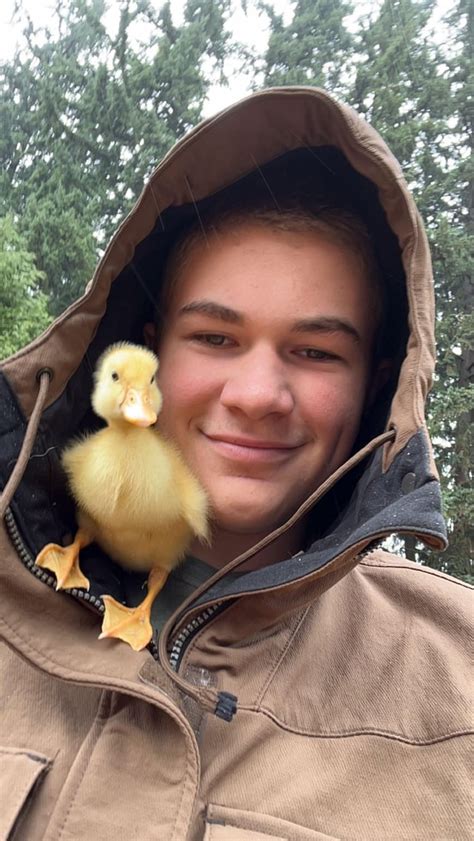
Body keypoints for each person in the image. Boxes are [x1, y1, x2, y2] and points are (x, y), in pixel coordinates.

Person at [0, 88, 471, 840]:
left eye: (315, 351)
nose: (256, 395)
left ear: (375, 383)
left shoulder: (458, 686)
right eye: (216, 338)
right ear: (152, 351)